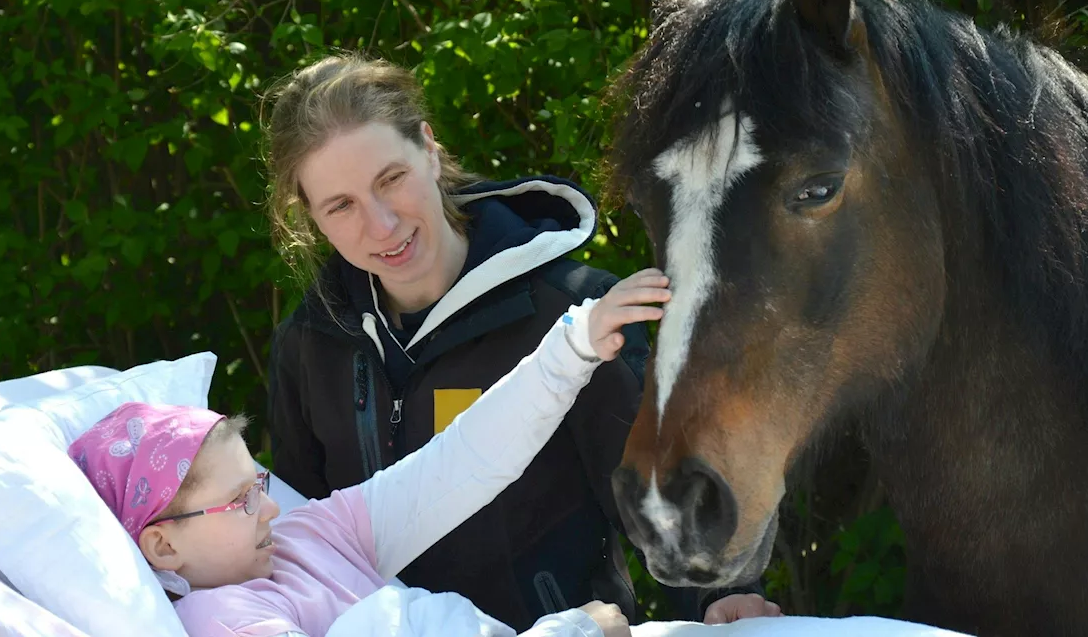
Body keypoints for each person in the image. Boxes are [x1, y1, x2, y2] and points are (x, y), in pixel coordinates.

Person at [259, 52, 771, 627]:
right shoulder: (310, 344)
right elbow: (296, 547)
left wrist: (723, 593)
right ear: (312, 217)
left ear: (429, 149)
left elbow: (659, 488)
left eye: (391, 179)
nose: (381, 225)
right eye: (341, 206)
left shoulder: (570, 313)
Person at [69, 270, 780, 637]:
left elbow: (460, 462)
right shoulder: (220, 621)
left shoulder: (306, 534)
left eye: (259, 479)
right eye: (241, 498)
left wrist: (572, 346)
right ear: (162, 545)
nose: (269, 503)